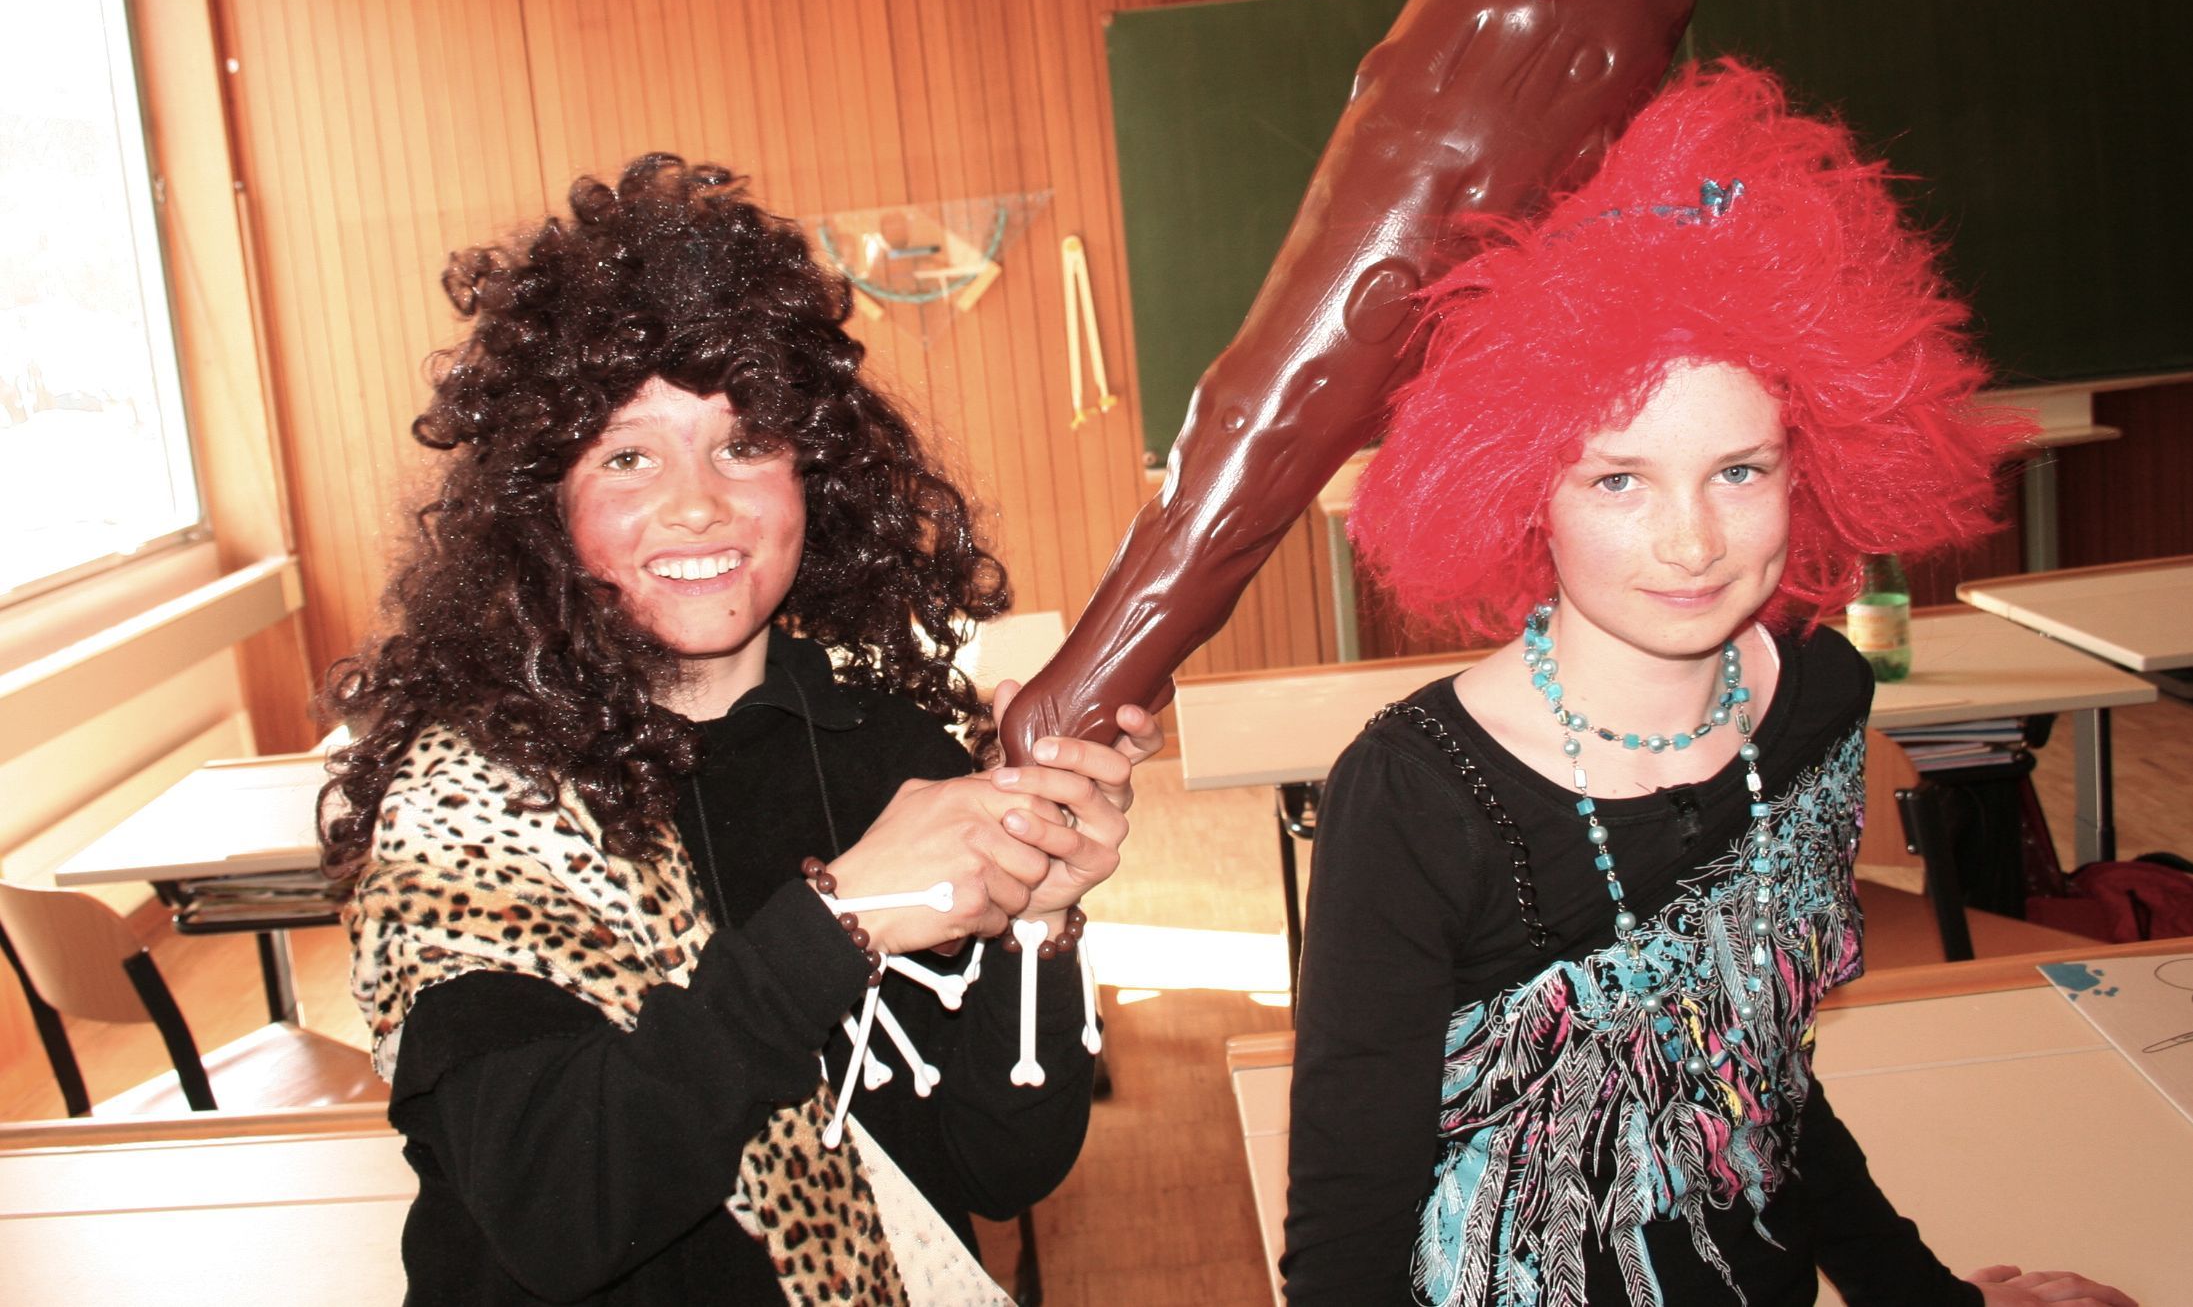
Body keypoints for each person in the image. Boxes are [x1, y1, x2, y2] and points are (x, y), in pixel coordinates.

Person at [1282, 63, 2140, 1307]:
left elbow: (1759, 1072)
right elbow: (1344, 1238)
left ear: (1810, 464)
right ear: (1522, 489)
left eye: (1739, 470)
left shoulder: (1818, 701)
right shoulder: (1415, 797)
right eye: (1618, 479)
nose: (1692, 542)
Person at [319, 154, 1160, 1305]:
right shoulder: (476, 804)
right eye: (628, 455)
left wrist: (1038, 921)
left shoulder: (892, 756)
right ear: (542, 507)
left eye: (744, 442)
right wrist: (838, 919)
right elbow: (558, 1210)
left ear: (816, 473)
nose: (699, 501)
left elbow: (999, 1167)